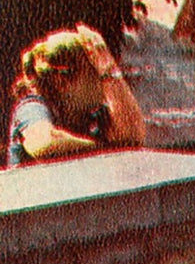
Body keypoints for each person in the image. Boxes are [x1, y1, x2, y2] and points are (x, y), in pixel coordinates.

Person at [8, 25, 145, 168]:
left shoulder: (91, 114)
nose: (104, 83)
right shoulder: (32, 106)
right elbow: (45, 143)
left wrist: (110, 69)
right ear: (63, 81)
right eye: (96, 74)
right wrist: (105, 149)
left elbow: (133, 138)